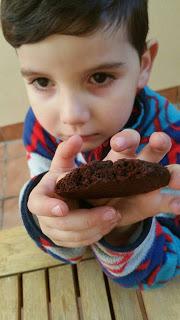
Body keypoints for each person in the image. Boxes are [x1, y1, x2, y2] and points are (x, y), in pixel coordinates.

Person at [1, 0, 180, 290]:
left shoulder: (169, 143)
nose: (71, 116)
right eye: (42, 81)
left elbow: (171, 264)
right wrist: (48, 223)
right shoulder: (41, 129)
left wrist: (125, 231)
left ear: (143, 66)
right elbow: (66, 243)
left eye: (99, 77)